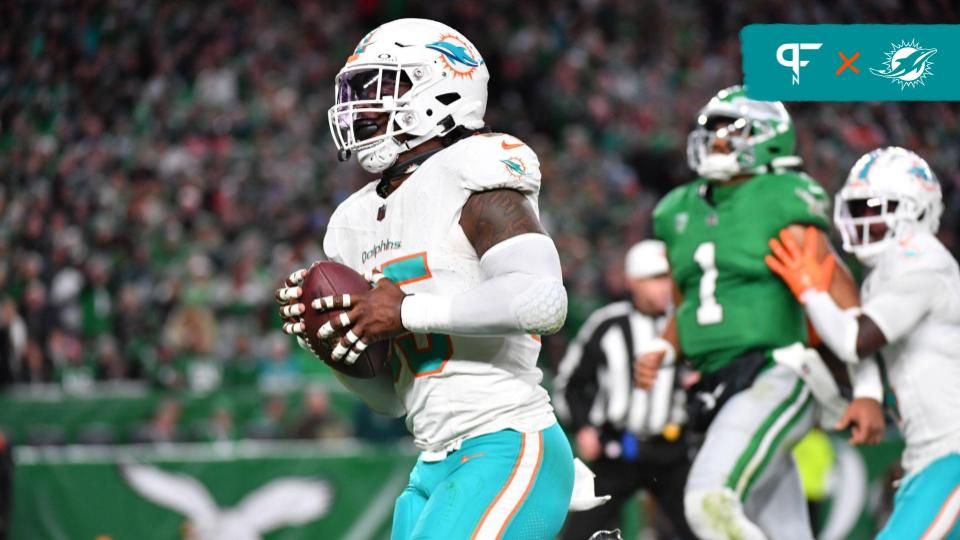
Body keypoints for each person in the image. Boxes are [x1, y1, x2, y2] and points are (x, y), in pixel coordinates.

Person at [275, 19, 576, 539]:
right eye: (357, 94)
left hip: (506, 441)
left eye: (378, 90)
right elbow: (390, 401)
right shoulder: (353, 220)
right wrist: (338, 348)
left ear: (440, 88)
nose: (361, 108)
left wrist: (406, 312)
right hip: (433, 462)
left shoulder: (475, 167)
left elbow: (542, 299)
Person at [634, 86, 884, 540]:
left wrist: (868, 388)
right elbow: (687, 300)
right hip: (715, 385)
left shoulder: (780, 196)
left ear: (768, 138)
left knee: (709, 502)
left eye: (730, 130)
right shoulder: (677, 210)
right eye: (710, 130)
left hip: (777, 371)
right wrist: (663, 346)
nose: (716, 141)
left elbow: (843, 296)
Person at [765, 146, 960, 539]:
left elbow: (856, 340)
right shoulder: (886, 272)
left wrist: (810, 290)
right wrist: (868, 393)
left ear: (916, 209)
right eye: (858, 208)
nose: (864, 219)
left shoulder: (922, 259)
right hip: (929, 457)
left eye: (875, 207)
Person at [554, 240, 695, 539]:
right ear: (633, 281)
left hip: (672, 452)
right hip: (616, 450)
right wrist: (582, 428)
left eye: (669, 277)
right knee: (579, 533)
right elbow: (569, 384)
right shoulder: (607, 324)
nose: (665, 286)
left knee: (700, 527)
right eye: (656, 278)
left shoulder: (687, 326)